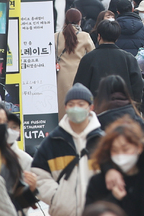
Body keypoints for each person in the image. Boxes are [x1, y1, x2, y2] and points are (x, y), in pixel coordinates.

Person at [32, 84, 104, 216]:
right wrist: (56, 198)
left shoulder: (102, 141)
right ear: (65, 107)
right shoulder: (53, 141)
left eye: (81, 104)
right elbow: (38, 174)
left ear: (91, 107)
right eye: (71, 105)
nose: (76, 108)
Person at [74, 20, 144, 101]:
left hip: (97, 108)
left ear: (99, 36)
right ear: (117, 38)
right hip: (123, 108)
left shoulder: (88, 59)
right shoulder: (129, 58)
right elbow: (138, 85)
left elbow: (79, 87)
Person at [85, 117, 144, 213]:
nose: (120, 155)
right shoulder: (98, 182)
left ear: (139, 147)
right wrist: (113, 199)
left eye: (125, 149)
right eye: (115, 150)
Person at [56, 8, 96, 118]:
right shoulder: (84, 36)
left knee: (63, 105)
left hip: (61, 76)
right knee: (80, 103)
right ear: (79, 21)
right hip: (80, 74)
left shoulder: (57, 36)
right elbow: (93, 54)